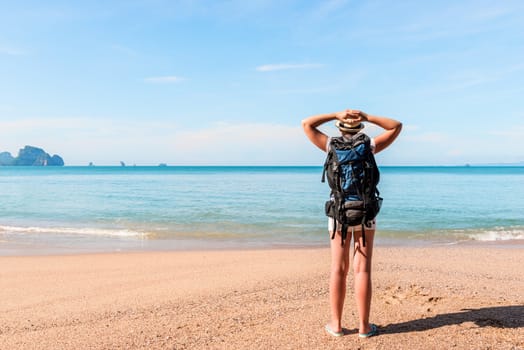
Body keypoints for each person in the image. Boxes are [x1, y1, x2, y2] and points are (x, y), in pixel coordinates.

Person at [302, 108, 402, 338]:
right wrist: (366, 117)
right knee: (362, 269)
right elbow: (396, 125)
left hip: (338, 213)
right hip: (366, 212)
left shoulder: (330, 145)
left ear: (340, 128)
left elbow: (307, 124)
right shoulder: (369, 146)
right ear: (359, 129)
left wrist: (335, 114)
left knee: (338, 269)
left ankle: (336, 325)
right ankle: (364, 327)